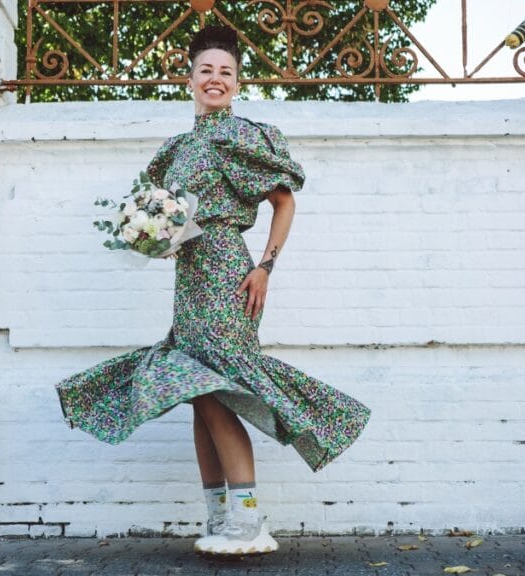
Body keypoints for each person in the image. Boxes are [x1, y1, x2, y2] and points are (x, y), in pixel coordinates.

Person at [54, 25, 371, 556]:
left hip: (229, 272)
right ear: (191, 79)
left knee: (217, 389)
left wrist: (266, 267)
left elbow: (284, 201)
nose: (215, 79)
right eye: (207, 71)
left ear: (237, 81)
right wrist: (158, 240)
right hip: (190, 278)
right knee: (197, 395)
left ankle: (249, 525)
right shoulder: (177, 148)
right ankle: (221, 519)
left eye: (225, 72)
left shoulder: (243, 135)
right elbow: (162, 213)